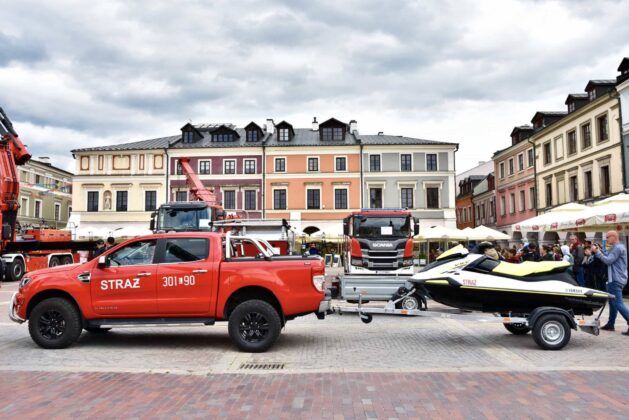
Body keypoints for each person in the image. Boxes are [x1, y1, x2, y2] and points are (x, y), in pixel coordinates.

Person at [593, 231, 629, 335]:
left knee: (618, 303)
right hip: (617, 278)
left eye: (608, 237)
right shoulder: (617, 247)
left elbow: (608, 260)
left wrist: (597, 253)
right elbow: (609, 256)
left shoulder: (617, 248)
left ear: (614, 237)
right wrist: (600, 250)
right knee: (613, 303)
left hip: (615, 279)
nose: (607, 239)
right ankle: (610, 324)